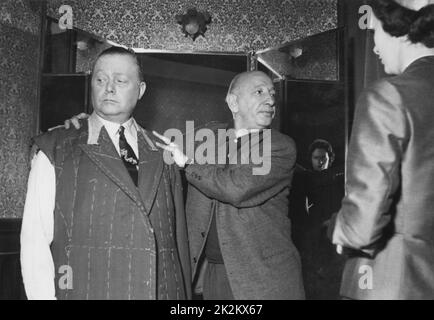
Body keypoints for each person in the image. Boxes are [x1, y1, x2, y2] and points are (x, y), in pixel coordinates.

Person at [20, 46, 191, 300]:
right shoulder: (55, 147)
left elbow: (178, 245)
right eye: (100, 80)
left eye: (120, 81)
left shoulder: (165, 151)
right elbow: (34, 241)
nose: (108, 88)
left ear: (141, 90)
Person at [155, 71, 305, 300]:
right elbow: (156, 147)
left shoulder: (279, 146)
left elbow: (236, 188)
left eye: (272, 93)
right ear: (233, 102)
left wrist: (187, 163)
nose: (271, 100)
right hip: (213, 274)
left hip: (263, 279)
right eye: (259, 91)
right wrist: (89, 125)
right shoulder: (208, 137)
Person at [330, 0, 434, 299]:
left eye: (374, 31)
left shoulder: (389, 95)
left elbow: (360, 229)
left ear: (399, 32)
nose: (374, 46)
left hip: (390, 283)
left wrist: (337, 230)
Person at [290, 139, 344, 299]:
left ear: (330, 159)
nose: (320, 162)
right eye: (316, 158)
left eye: (323, 158)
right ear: (310, 159)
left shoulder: (339, 178)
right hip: (312, 236)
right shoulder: (304, 179)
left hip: (334, 234)